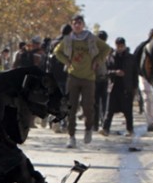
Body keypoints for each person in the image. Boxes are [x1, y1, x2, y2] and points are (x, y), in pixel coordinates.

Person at [52, 14, 111, 148]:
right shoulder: (68, 40)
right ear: (72, 25)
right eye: (74, 23)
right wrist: (66, 61)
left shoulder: (91, 38)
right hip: (73, 77)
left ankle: (88, 129)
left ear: (83, 24)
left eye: (79, 23)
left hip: (89, 78)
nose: (77, 25)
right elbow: (57, 51)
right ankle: (71, 136)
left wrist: (98, 61)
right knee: (71, 107)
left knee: (88, 107)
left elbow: (106, 49)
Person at [100, 37, 136, 136]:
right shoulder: (110, 57)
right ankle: (105, 129)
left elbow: (134, 74)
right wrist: (115, 72)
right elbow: (105, 72)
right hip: (113, 87)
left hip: (126, 87)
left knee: (128, 111)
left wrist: (134, 88)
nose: (119, 48)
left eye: (121, 46)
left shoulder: (131, 58)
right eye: (118, 46)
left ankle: (130, 129)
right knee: (109, 110)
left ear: (124, 46)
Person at [133, 28, 153, 131]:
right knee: (148, 99)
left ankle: (152, 121)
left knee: (151, 100)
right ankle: (151, 122)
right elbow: (134, 61)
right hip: (144, 77)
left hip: (152, 77)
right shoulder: (144, 46)